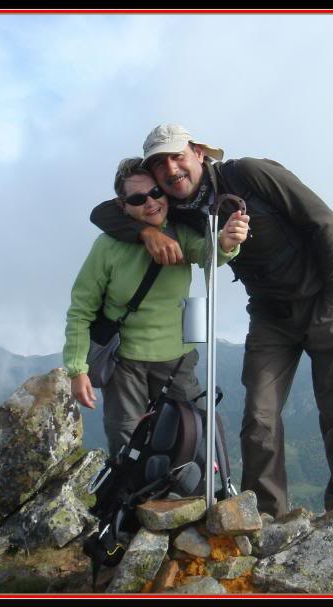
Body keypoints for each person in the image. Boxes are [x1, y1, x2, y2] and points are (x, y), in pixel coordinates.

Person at [90, 124, 333, 525]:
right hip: (269, 316)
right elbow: (102, 212)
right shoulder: (174, 208)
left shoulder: (251, 175)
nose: (170, 169)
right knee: (259, 417)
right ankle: (264, 516)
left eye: (177, 156)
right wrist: (145, 233)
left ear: (199, 153)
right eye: (159, 164)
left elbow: (325, 222)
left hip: (322, 300)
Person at [64, 157, 249, 457]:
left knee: (193, 433)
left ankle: (192, 496)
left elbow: (206, 254)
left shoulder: (180, 232)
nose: (150, 202)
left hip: (177, 360)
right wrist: (77, 370)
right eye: (138, 198)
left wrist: (226, 242)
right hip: (124, 363)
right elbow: (81, 309)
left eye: (155, 193)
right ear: (122, 205)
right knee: (127, 443)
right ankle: (131, 501)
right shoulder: (107, 247)